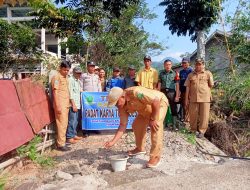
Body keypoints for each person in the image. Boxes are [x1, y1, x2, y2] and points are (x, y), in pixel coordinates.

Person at [104, 86, 168, 168]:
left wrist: (153, 119)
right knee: (136, 125)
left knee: (156, 126)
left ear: (123, 97)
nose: (116, 106)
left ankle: (155, 157)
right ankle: (140, 148)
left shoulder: (136, 93)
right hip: (145, 109)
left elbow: (155, 101)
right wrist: (113, 142)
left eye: (116, 103)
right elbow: (123, 125)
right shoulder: (121, 106)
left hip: (159, 103)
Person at [184, 58, 214, 138]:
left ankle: (202, 131)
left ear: (203, 65)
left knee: (204, 116)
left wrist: (209, 95)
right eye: (197, 64)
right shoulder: (190, 75)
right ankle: (193, 130)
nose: (198, 66)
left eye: (200, 64)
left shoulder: (208, 74)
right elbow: (187, 87)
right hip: (193, 98)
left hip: (205, 98)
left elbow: (211, 85)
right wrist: (186, 99)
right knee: (193, 115)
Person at [51, 60, 71, 151]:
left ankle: (62, 141)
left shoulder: (65, 77)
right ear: (60, 68)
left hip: (66, 104)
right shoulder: (56, 77)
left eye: (68, 70)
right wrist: (57, 105)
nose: (66, 72)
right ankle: (60, 144)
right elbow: (55, 92)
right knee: (61, 124)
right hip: (60, 104)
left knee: (65, 124)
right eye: (64, 70)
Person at [158, 59, 180, 129]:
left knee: (173, 107)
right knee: (162, 107)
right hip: (163, 92)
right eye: (166, 64)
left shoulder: (174, 73)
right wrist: (158, 94)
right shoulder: (161, 73)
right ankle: (163, 123)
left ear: (171, 65)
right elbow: (159, 83)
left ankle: (174, 124)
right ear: (164, 65)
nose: (168, 66)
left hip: (171, 92)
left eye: (169, 64)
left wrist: (177, 96)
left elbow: (177, 85)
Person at [66, 67, 83, 144]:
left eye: (80, 73)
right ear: (73, 72)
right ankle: (69, 137)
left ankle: (74, 134)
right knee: (72, 121)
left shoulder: (78, 81)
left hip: (78, 103)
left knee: (76, 120)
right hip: (73, 104)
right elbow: (70, 93)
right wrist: (73, 105)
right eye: (77, 73)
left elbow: (79, 91)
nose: (79, 74)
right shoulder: (70, 80)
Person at [179, 57, 193, 123]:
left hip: (189, 91)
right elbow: (180, 82)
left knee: (188, 105)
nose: (184, 64)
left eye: (185, 63)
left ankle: (188, 120)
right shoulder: (181, 71)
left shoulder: (191, 71)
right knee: (184, 105)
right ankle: (185, 118)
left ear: (188, 63)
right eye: (183, 63)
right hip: (182, 91)